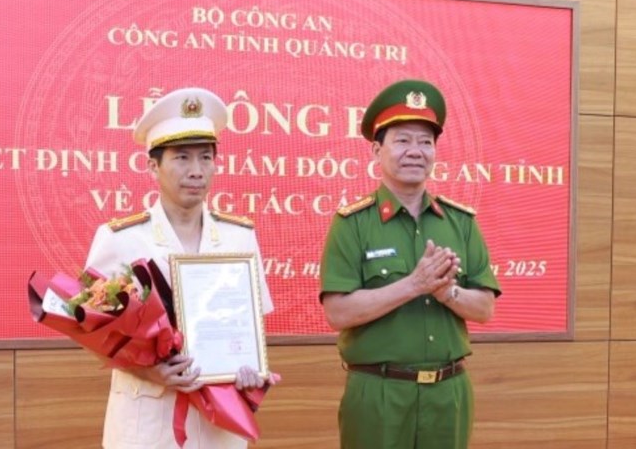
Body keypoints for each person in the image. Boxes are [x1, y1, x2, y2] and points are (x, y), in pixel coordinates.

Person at [84, 87, 275, 449]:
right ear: (152, 166)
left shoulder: (239, 238)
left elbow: (252, 328)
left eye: (206, 158)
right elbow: (92, 333)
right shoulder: (119, 238)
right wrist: (146, 369)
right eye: (182, 158)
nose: (196, 171)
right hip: (147, 423)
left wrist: (250, 370)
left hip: (220, 423)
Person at [319, 79, 501, 449]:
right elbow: (337, 313)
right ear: (376, 150)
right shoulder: (353, 223)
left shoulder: (460, 222)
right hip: (379, 394)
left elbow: (484, 308)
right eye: (402, 140)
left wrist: (446, 291)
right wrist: (413, 285)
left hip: (449, 393)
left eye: (425, 141)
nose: (415, 151)